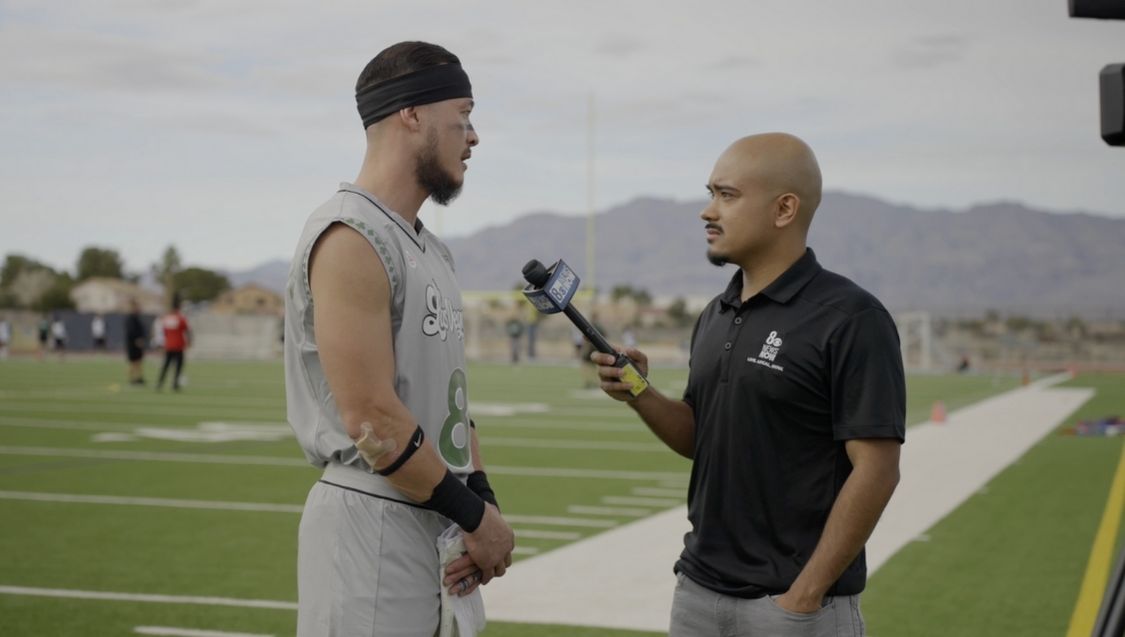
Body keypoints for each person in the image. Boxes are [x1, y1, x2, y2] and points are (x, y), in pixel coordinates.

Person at [594, 133, 905, 637]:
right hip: (697, 593)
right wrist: (640, 395)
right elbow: (701, 438)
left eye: (727, 195)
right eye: (710, 193)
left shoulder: (851, 317)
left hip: (795, 607)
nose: (707, 212)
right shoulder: (717, 312)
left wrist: (803, 597)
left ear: (784, 209)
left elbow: (877, 470)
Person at [283, 41, 513, 637]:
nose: (473, 135)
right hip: (374, 516)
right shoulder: (352, 235)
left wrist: (481, 499)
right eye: (462, 115)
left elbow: (449, 402)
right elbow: (373, 420)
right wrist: (475, 517)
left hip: (438, 510)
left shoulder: (430, 247)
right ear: (411, 114)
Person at [155, 297, 190, 391]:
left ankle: (160, 383)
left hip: (169, 345)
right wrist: (189, 342)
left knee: (166, 365)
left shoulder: (166, 318)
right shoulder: (180, 318)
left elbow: (164, 332)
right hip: (178, 345)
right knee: (178, 366)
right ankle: (175, 384)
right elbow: (187, 330)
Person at [123, 299, 147, 385]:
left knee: (139, 361)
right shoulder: (130, 318)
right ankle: (131, 379)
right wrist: (137, 340)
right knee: (133, 362)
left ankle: (139, 378)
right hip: (132, 344)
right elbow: (131, 331)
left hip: (138, 343)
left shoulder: (137, 318)